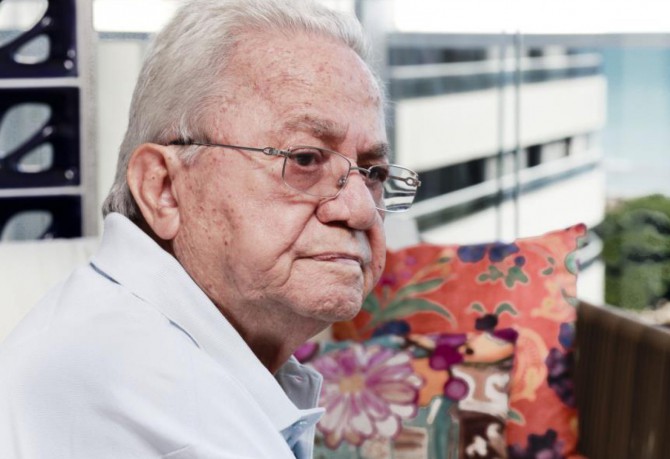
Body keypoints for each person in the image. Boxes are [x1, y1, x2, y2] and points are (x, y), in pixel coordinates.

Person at [0, 0, 421, 457]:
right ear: (163, 188)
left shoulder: (153, 341)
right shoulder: (143, 398)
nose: (360, 210)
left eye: (373, 172)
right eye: (304, 159)